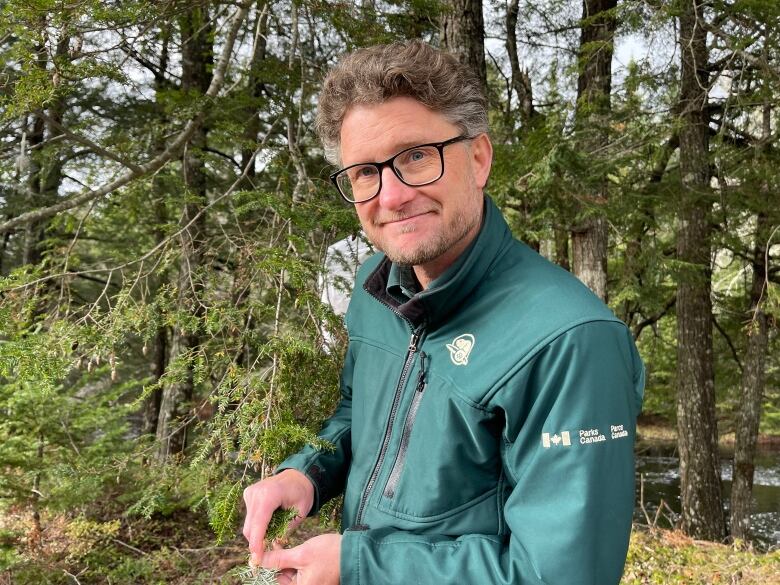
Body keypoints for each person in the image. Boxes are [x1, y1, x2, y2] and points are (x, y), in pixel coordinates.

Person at [243, 40, 644, 585]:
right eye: (364, 171)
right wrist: (307, 473)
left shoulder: (569, 342)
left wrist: (360, 567)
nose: (391, 196)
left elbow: (562, 576)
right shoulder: (373, 285)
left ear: (478, 159)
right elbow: (358, 410)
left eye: (414, 156)